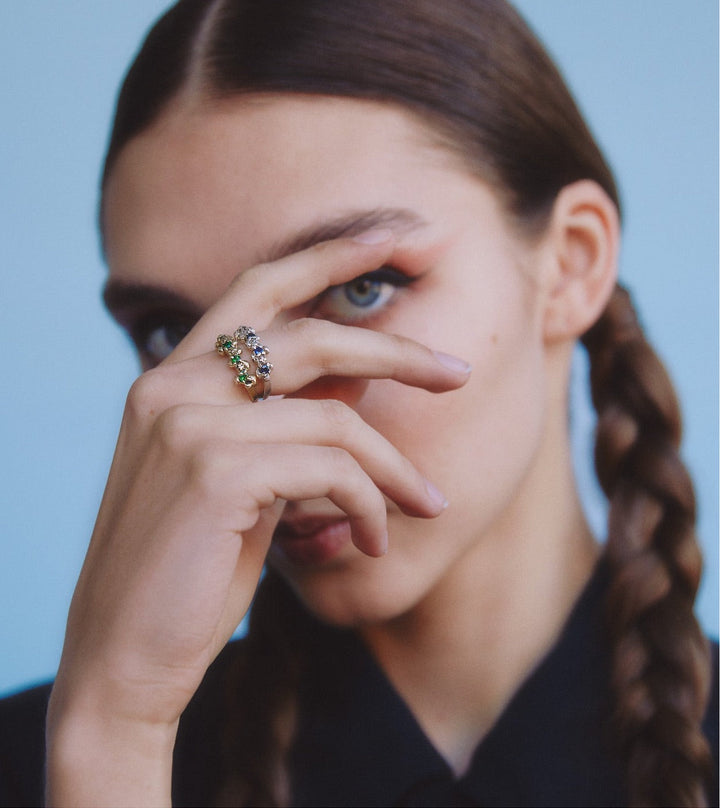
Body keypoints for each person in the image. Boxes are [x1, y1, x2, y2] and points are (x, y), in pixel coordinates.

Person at [0, 1, 716, 806]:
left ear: (572, 264)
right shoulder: (50, 763)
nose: (262, 412)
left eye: (358, 289)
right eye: (176, 333)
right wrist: (111, 734)